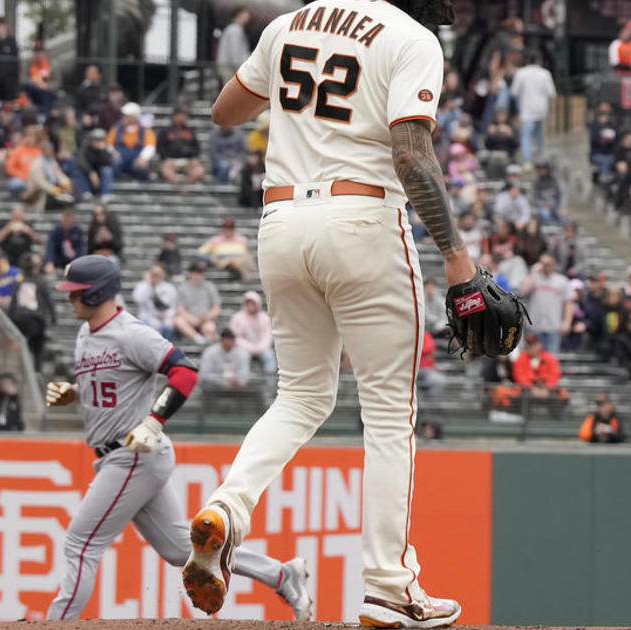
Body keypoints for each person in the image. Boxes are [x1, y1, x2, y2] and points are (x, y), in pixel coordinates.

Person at [185, 1, 475, 625]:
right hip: (363, 216)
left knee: (301, 397)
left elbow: (225, 112)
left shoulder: (289, 22)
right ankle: (388, 587)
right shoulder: (409, 36)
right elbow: (410, 155)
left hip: (282, 220)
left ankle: (228, 509)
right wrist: (457, 258)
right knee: (389, 413)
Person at [43, 256, 312, 621]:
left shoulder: (130, 332)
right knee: (177, 548)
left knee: (80, 543)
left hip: (133, 451)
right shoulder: (85, 333)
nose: (69, 300)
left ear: (96, 292)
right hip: (122, 454)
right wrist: (75, 392)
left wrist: (154, 421)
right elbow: (114, 385)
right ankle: (282, 575)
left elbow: (184, 370)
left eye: (75, 293)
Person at [510, 51, 556, 164]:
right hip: (541, 108)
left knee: (526, 135)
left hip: (527, 108)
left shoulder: (521, 73)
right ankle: (540, 157)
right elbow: (551, 93)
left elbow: (514, 92)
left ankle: (527, 160)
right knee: (539, 134)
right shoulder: (545, 74)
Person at [229, 290, 277, 374]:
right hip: (243, 348)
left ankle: (269, 379)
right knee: (242, 356)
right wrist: (250, 348)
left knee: (269, 356)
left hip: (262, 348)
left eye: (253, 303)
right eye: (248, 303)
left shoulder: (265, 318)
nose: (250, 306)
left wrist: (259, 347)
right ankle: (243, 379)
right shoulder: (237, 318)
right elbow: (236, 337)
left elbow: (268, 336)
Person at [512, 332, 567, 402]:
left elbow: (555, 375)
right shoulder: (521, 358)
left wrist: (546, 389)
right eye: (529, 345)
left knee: (561, 396)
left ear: (539, 344)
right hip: (527, 391)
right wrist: (532, 388)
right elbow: (519, 376)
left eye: (534, 344)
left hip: (547, 390)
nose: (531, 347)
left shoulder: (549, 358)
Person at [158, 105, 206, 184]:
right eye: (181, 114)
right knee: (166, 171)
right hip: (171, 161)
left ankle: (184, 186)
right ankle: (178, 187)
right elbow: (161, 147)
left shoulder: (190, 131)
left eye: (185, 115)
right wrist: (165, 158)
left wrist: (194, 158)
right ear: (175, 115)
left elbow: (196, 147)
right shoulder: (165, 131)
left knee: (200, 170)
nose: (184, 117)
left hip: (187, 161)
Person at [174, 261, 221, 343]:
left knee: (210, 328)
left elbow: (216, 307)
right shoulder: (183, 288)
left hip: (205, 320)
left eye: (201, 272)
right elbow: (180, 309)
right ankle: (197, 338)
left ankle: (208, 342)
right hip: (189, 321)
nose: (198, 275)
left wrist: (208, 316)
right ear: (190, 273)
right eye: (196, 272)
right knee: (178, 321)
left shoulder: (209, 287)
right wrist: (190, 318)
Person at [109, 103, 156, 180]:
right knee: (115, 162)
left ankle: (143, 188)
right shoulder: (117, 128)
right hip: (121, 158)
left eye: (128, 116)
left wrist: (143, 158)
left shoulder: (145, 130)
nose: (125, 117)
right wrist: (114, 153)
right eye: (125, 115)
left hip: (137, 159)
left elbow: (150, 146)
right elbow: (108, 144)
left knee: (142, 167)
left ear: (135, 116)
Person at [24, 141, 74, 211]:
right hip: (39, 193)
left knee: (69, 198)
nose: (50, 151)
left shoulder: (52, 162)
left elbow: (59, 174)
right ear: (43, 150)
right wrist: (55, 190)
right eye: (48, 149)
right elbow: (41, 182)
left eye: (51, 149)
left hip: (53, 192)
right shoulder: (37, 163)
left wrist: (66, 183)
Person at [132, 264, 177, 338]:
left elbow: (172, 307)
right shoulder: (142, 285)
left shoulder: (169, 288)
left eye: (158, 274)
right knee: (155, 328)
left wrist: (166, 318)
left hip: (164, 319)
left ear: (164, 274)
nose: (156, 276)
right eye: (154, 273)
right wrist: (148, 284)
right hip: (146, 318)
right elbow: (138, 299)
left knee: (168, 327)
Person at [73, 128, 115, 199]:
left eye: (100, 140)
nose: (98, 142)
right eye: (96, 139)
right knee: (78, 170)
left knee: (107, 171)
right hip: (88, 174)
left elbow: (108, 163)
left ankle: (105, 194)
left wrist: (102, 151)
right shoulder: (85, 148)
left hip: (100, 175)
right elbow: (81, 161)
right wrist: (91, 172)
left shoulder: (105, 150)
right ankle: (85, 193)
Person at [216, 8, 252, 84]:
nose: (248, 16)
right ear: (239, 15)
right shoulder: (235, 29)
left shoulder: (233, 28)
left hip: (229, 66)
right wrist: (241, 68)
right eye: (246, 14)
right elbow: (235, 51)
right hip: (230, 68)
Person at [45, 209, 85, 273]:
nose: (68, 222)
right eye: (66, 219)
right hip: (59, 260)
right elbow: (51, 246)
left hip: (73, 261)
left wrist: (78, 262)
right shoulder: (56, 230)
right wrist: (50, 262)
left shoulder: (77, 230)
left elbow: (80, 248)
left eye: (70, 219)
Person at [0, 20, 20, 101]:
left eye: (3, 28)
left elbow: (16, 62)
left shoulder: (12, 41)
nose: (1, 30)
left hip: (9, 80)